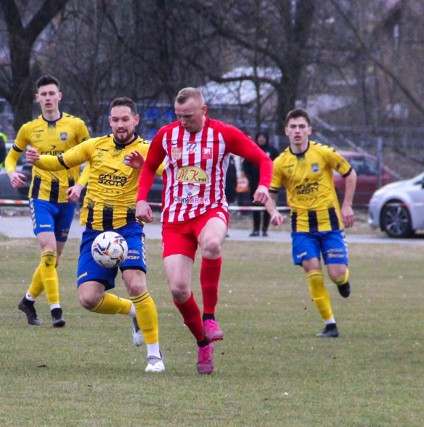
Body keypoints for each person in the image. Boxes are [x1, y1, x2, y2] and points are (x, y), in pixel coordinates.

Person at [135, 87, 273, 375]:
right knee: (178, 289)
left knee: (212, 244)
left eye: (188, 116)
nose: (183, 121)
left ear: (203, 110)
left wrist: (263, 185)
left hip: (211, 210)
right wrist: (141, 200)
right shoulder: (167, 135)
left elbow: (263, 160)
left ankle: (210, 317)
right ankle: (202, 342)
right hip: (175, 220)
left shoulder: (223, 134)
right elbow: (149, 167)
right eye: (179, 116)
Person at [25, 97, 164, 372]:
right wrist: (38, 159)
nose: (120, 124)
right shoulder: (95, 145)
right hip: (95, 234)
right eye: (115, 119)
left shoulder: (147, 150)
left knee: (136, 285)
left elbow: (169, 173)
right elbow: (62, 161)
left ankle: (154, 355)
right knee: (89, 299)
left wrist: (143, 168)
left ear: (136, 120)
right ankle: (134, 311)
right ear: (109, 121)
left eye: (125, 119)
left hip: (129, 229)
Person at [5, 74, 90, 327]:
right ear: (37, 98)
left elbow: (92, 160)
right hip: (41, 198)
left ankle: (28, 301)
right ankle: (56, 310)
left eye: (52, 93)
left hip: (67, 199)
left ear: (59, 96)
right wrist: (12, 173)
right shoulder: (29, 129)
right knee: (49, 252)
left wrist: (80, 185)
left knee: (54, 259)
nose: (48, 98)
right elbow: (11, 158)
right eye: (44, 94)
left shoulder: (76, 126)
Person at [264, 108, 356, 338]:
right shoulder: (280, 162)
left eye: (301, 126)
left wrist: (347, 205)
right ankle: (330, 324)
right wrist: (273, 212)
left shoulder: (324, 153)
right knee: (312, 270)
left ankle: (342, 281)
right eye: (293, 127)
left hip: (331, 224)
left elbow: (350, 174)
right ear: (286, 131)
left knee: (336, 274)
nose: (297, 131)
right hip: (302, 228)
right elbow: (269, 195)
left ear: (309, 130)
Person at [243, 132, 279, 236]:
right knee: (255, 207)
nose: (261, 139)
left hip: (268, 184)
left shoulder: (272, 151)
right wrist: (250, 177)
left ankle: (264, 230)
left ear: (266, 138)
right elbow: (246, 165)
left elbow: (277, 165)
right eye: (260, 137)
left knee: (268, 206)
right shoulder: (252, 149)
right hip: (255, 184)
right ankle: (255, 229)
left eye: (263, 137)